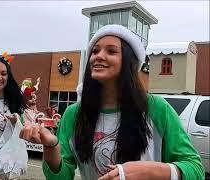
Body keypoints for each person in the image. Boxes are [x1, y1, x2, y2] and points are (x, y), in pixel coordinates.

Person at [19, 25, 204, 180]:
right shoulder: (74, 114)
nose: (98, 56)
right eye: (95, 50)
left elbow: (195, 169)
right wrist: (51, 146)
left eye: (111, 51)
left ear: (129, 62)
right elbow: (61, 176)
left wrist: (149, 170)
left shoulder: (156, 108)